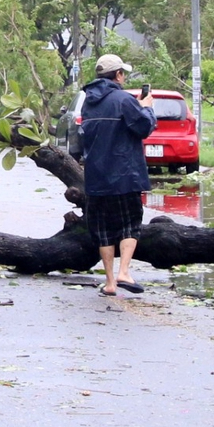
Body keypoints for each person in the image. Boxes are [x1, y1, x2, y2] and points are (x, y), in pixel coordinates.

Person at [74, 53, 155, 297]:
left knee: (103, 230)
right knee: (130, 224)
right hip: (125, 176)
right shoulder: (123, 99)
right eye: (123, 73)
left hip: (96, 176)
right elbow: (142, 127)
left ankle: (109, 282)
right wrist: (148, 109)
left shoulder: (88, 102)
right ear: (118, 75)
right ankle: (124, 272)